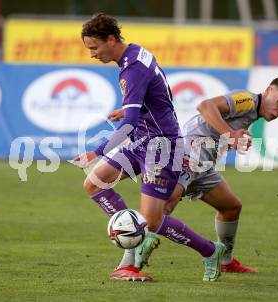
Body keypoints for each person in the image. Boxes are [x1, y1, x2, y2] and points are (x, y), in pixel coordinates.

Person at [73, 12, 225, 282]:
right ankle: (130, 234)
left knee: (153, 221)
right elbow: (159, 93)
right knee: (94, 183)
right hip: (144, 140)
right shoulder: (135, 53)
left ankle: (210, 250)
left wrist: (96, 152)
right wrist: (131, 109)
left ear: (110, 39)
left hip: (161, 146)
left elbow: (129, 124)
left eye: (94, 48)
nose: (92, 54)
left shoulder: (132, 69)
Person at [162, 76, 278, 273]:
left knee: (231, 207)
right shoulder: (247, 100)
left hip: (203, 165)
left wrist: (231, 139)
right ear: (269, 90)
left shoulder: (253, 112)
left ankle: (225, 261)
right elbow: (205, 106)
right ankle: (129, 265)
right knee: (163, 207)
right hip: (189, 155)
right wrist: (230, 135)